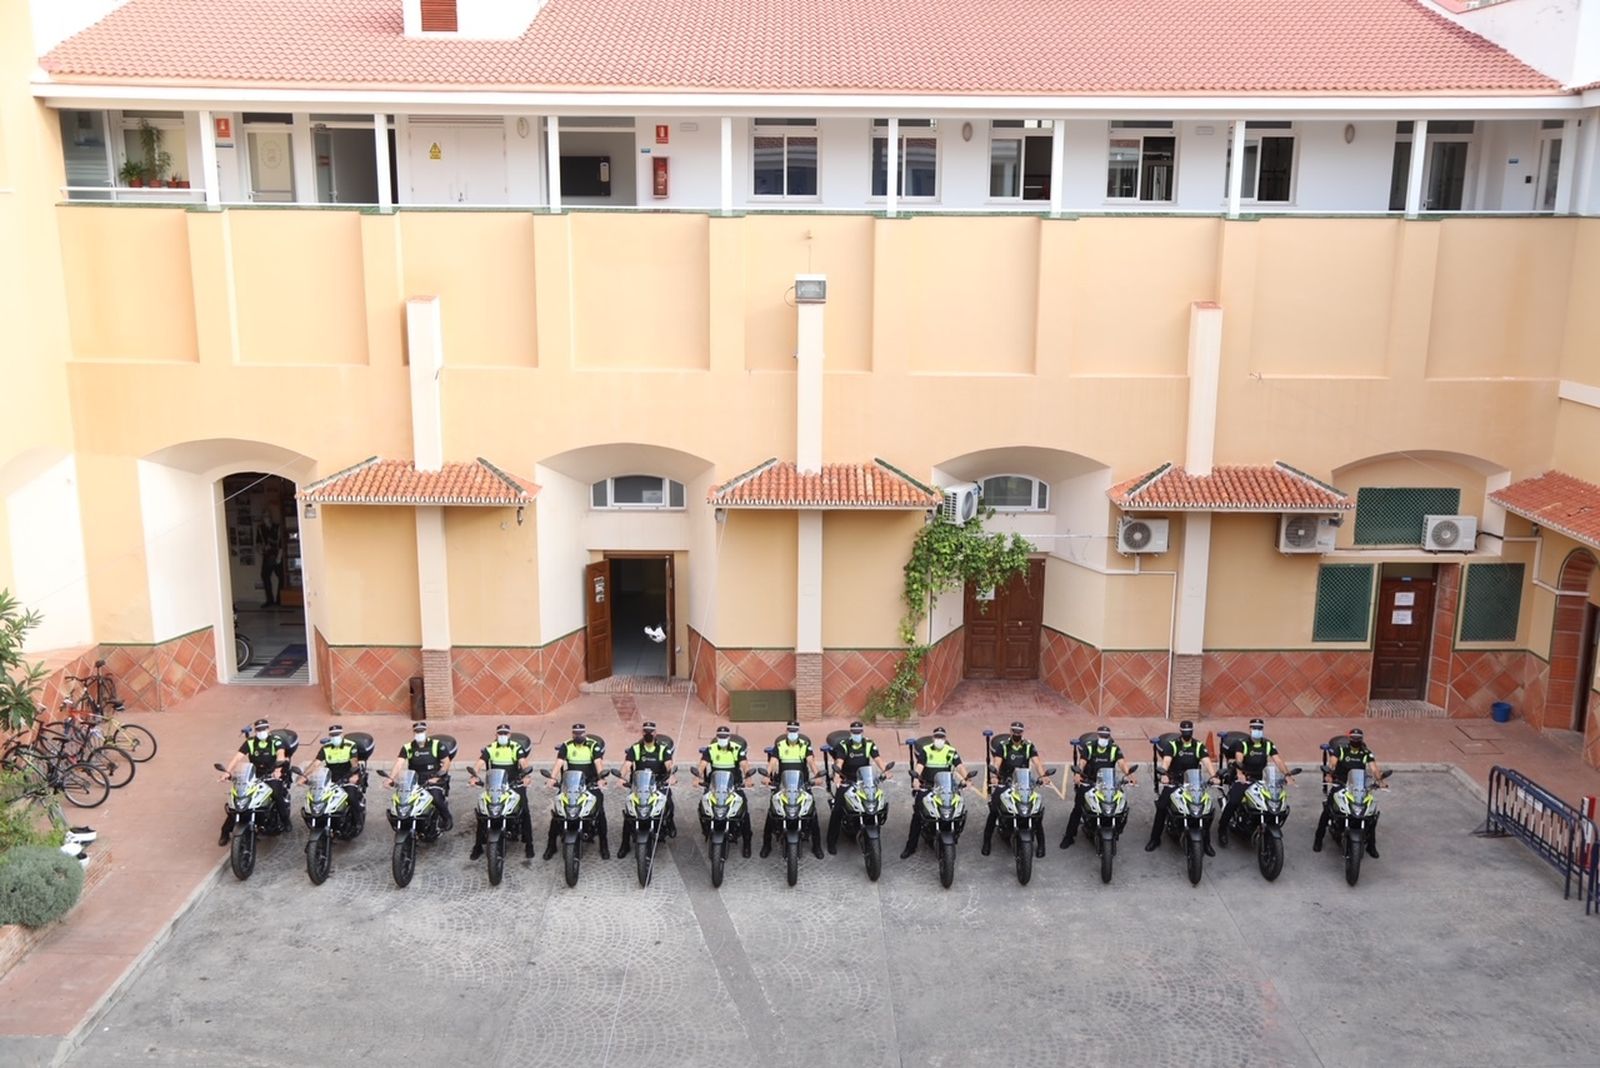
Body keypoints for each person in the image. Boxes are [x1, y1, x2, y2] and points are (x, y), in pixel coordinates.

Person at [1145, 719, 1217, 856]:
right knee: (1161, 806)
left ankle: (1206, 843)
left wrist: (1214, 776)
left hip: (1193, 783)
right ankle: (1154, 839)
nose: (1187, 734)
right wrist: (1164, 774)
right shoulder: (1173, 745)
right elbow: (1166, 762)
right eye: (1184, 731)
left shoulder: (1198, 746)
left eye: (1189, 731)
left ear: (1192, 731)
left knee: (1207, 809)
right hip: (1175, 781)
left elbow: (1207, 762)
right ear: (1181, 732)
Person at [1060, 725, 1137, 849]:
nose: (1104, 739)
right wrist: (1078, 774)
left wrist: (1129, 774)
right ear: (1097, 736)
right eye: (1102, 736)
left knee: (1121, 805)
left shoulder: (1114, 748)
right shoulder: (1090, 747)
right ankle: (1069, 836)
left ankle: (1116, 829)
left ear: (1109, 737)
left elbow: (1122, 763)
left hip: (1108, 783)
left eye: (1106, 736)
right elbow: (1082, 762)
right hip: (1089, 781)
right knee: (1078, 807)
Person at [1219, 718, 1291, 847]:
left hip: (1259, 779)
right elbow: (1238, 760)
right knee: (1234, 801)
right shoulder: (1243, 744)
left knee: (1274, 801)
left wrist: (1287, 774)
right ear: (1250, 729)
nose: (1257, 731)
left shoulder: (1267, 744)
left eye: (1259, 728)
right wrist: (1240, 774)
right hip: (1244, 778)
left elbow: (1278, 760)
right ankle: (1222, 830)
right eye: (1254, 728)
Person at [218, 718, 290, 845]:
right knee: (237, 802)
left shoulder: (275, 741)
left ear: (268, 729)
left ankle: (285, 820)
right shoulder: (250, 742)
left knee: (276, 794)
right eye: (258, 730)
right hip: (253, 775)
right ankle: (225, 831)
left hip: (271, 775)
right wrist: (227, 772)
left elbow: (280, 754)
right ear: (255, 731)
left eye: (263, 729)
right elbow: (237, 757)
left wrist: (278, 769)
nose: (261, 732)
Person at [1315, 727, 1384, 858]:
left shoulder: (1366, 753)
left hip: (1359, 787)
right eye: (1353, 738)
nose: (1356, 741)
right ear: (1349, 739)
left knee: (1371, 815)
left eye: (1358, 739)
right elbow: (1333, 763)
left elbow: (1374, 768)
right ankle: (1318, 838)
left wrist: (1380, 780)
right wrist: (1330, 774)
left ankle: (1371, 845)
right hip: (1341, 783)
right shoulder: (1342, 750)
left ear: (1362, 740)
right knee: (1328, 809)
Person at [983, 721, 1049, 858]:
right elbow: (997, 762)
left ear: (1022, 733)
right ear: (1011, 731)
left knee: (1036, 811)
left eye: (1019, 732)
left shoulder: (1028, 746)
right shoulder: (1003, 746)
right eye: (1014, 731)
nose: (1017, 734)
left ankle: (1041, 844)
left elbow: (1037, 762)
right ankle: (986, 842)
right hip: (1006, 780)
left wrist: (1043, 776)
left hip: (1024, 781)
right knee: (994, 808)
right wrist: (995, 777)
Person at [544, 722, 609, 861]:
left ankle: (604, 845)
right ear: (572, 734)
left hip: (590, 784)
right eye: (576, 733)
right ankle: (551, 845)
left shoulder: (593, 745)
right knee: (558, 812)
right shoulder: (566, 745)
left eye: (581, 733)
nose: (579, 736)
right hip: (571, 785)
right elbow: (559, 763)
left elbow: (599, 764)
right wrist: (552, 778)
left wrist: (601, 779)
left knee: (600, 812)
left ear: (585, 733)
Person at [900, 726, 967, 860]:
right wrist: (916, 779)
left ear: (945, 739)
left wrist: (966, 778)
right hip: (928, 786)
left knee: (959, 809)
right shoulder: (926, 750)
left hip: (946, 787)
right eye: (937, 737)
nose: (939, 739)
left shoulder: (950, 751)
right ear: (933, 738)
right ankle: (910, 846)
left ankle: (954, 834)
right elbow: (919, 767)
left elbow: (959, 766)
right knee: (918, 814)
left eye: (941, 737)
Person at [826, 720, 891, 855]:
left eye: (859, 732)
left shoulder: (869, 744)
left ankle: (873, 830)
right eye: (854, 732)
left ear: (862, 732)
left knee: (876, 802)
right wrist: (837, 776)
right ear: (851, 733)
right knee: (838, 808)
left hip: (864, 780)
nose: (857, 734)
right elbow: (839, 762)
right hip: (847, 780)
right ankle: (831, 842)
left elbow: (878, 759)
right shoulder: (844, 746)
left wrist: (886, 771)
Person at [471, 723, 534, 860]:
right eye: (500, 734)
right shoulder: (490, 748)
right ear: (496, 735)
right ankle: (478, 846)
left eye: (505, 734)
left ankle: (529, 843)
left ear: (510, 735)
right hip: (495, 785)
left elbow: (524, 763)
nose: (503, 736)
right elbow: (480, 763)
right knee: (483, 812)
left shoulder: (516, 747)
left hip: (513, 783)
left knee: (524, 810)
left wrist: (526, 777)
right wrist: (474, 776)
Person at [762, 721, 822, 860]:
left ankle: (817, 846)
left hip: (802, 783)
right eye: (790, 730)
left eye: (795, 731)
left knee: (812, 813)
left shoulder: (804, 745)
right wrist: (766, 775)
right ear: (787, 731)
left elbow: (811, 762)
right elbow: (772, 762)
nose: (792, 733)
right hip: (783, 783)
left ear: (798, 732)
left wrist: (817, 776)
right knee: (772, 812)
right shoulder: (780, 745)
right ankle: (766, 845)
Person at [617, 721, 676, 859]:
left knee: (669, 802)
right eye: (645, 731)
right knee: (630, 813)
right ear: (642, 733)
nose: (648, 734)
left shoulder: (663, 749)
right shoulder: (636, 748)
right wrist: (621, 777)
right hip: (640, 785)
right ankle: (624, 844)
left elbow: (669, 765)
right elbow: (627, 765)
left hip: (658, 783)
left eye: (651, 731)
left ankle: (670, 824)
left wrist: (672, 776)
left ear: (656, 733)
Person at [698, 725, 754, 859]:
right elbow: (702, 765)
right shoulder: (710, 749)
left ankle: (747, 841)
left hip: (734, 784)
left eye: (724, 737)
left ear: (729, 738)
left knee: (743, 810)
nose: (722, 739)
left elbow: (745, 764)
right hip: (715, 784)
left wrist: (748, 777)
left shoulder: (736, 748)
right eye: (720, 737)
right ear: (716, 738)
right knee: (702, 807)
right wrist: (697, 776)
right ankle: (706, 831)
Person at [392, 721, 453, 832]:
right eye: (417, 731)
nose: (419, 733)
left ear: (426, 731)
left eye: (421, 731)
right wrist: (391, 778)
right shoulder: (407, 747)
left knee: (436, 798)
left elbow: (447, 762)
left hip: (434, 778)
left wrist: (439, 775)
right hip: (414, 780)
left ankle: (447, 818)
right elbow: (399, 763)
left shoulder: (436, 745)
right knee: (402, 800)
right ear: (413, 732)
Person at [256, 509, 285, 609]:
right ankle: (269, 600)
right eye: (264, 516)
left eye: (268, 516)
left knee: (281, 577)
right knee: (265, 576)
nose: (266, 518)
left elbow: (281, 543)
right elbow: (258, 543)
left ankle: (279, 600)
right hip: (267, 556)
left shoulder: (277, 528)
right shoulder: (261, 529)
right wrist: (262, 549)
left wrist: (279, 557)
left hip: (277, 556)